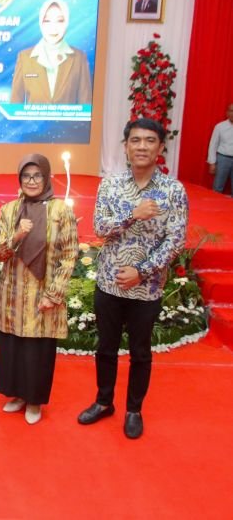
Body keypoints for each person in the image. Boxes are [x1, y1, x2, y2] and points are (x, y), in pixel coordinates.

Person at [78, 118, 188, 439]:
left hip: (147, 288)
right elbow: (99, 228)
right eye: (135, 140)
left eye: (149, 141)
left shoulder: (173, 191)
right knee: (106, 348)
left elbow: (175, 241)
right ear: (126, 146)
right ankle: (103, 402)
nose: (142, 146)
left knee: (140, 351)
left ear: (161, 148)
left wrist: (141, 271)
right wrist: (132, 215)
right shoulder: (110, 185)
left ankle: (133, 409)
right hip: (110, 284)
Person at [0, 154, 78, 425]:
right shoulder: (9, 210)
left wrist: (54, 294)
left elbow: (70, 254)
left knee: (38, 349)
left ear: (46, 177)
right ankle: (17, 395)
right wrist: (16, 236)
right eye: (26, 176)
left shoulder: (60, 211)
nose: (31, 181)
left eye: (37, 175)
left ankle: (34, 401)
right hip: (14, 294)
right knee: (14, 346)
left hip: (44, 293)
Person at [11, 0, 92, 105]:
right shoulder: (24, 58)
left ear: (67, 22)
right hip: (32, 122)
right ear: (40, 23)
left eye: (60, 20)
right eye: (47, 21)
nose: (53, 27)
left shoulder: (79, 58)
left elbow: (86, 105)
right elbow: (15, 106)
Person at [206, 102, 233, 196]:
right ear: (227, 113)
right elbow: (213, 144)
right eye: (231, 111)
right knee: (217, 187)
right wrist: (212, 163)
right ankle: (214, 208)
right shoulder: (220, 127)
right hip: (223, 159)